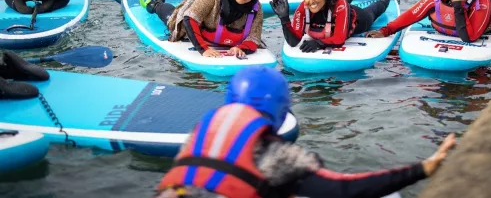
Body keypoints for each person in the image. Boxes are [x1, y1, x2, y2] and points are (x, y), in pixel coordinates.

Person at [155, 65, 456, 198]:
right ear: (280, 107)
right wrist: (422, 169)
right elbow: (343, 189)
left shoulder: (199, 134)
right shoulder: (276, 154)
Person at [141, 0, 266, 58]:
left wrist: (242, 48)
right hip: (196, 20)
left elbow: (254, 37)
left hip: (220, 38)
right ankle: (156, 4)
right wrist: (204, 49)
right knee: (172, 20)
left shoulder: (256, 8)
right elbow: (189, 19)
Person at [270, 0, 391, 53]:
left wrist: (318, 44)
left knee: (372, 12)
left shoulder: (340, 5)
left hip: (359, 19)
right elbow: (293, 42)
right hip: (332, 13)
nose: (311, 1)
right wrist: (284, 18)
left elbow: (339, 39)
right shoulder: (303, 8)